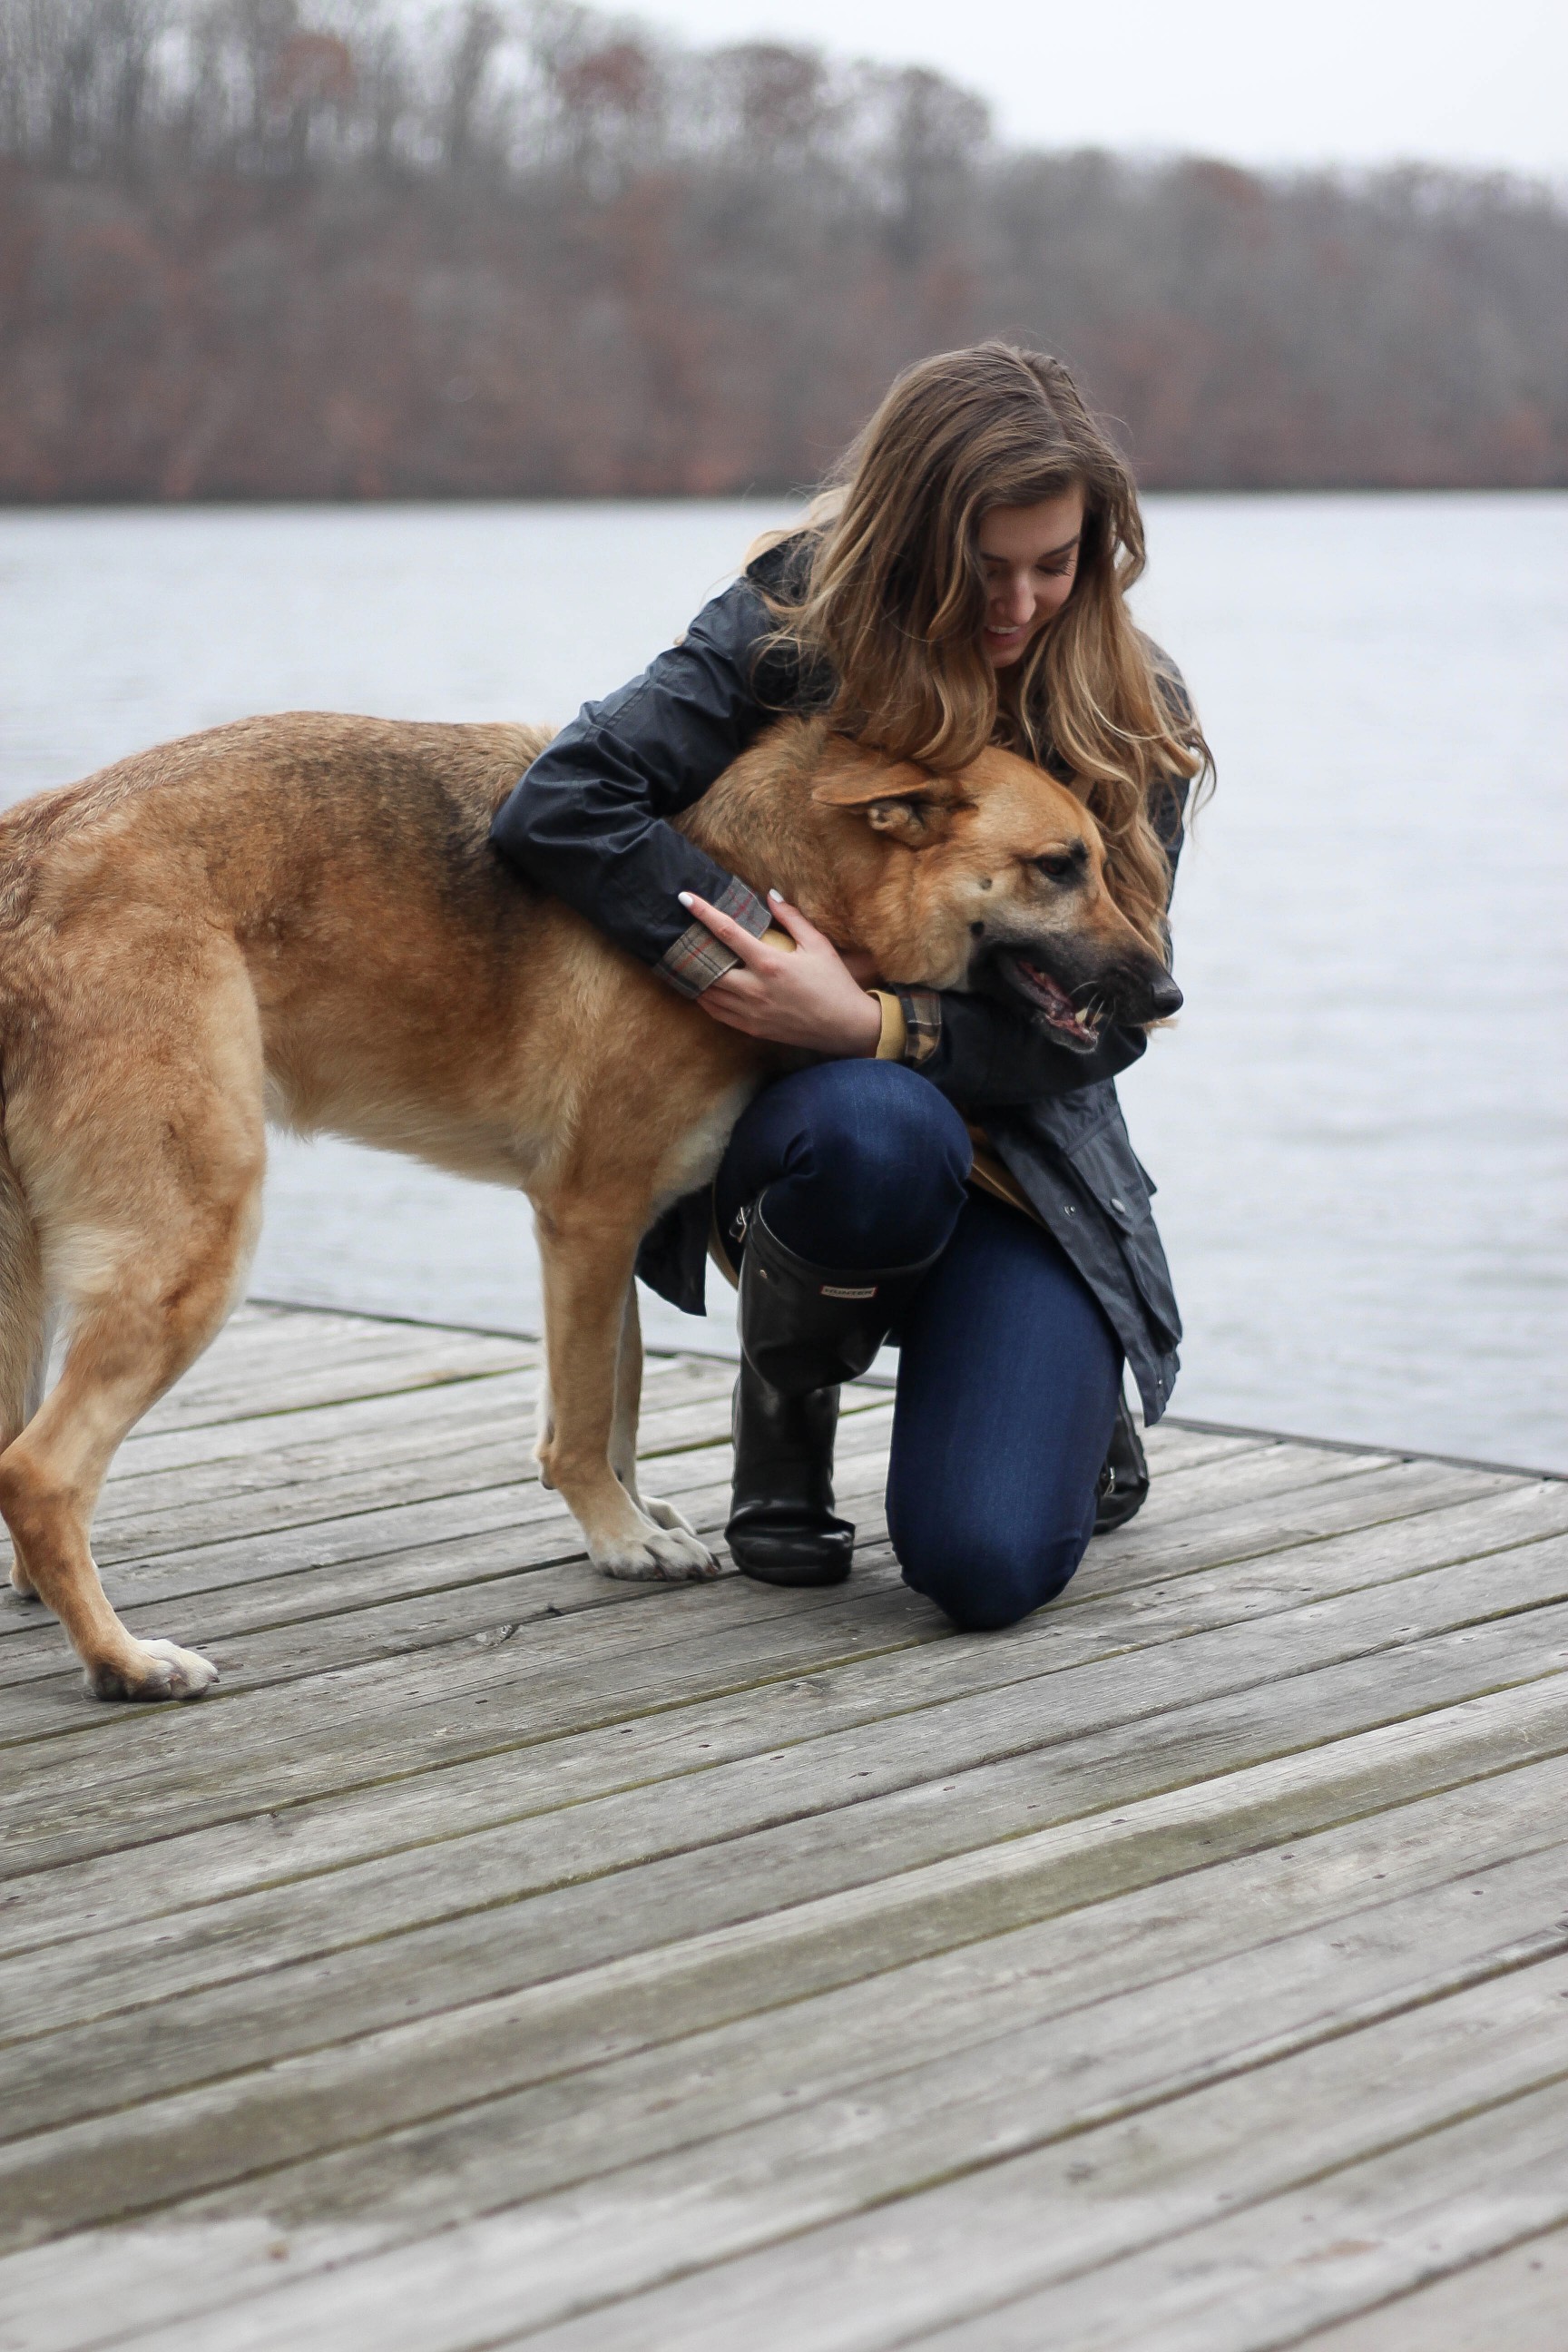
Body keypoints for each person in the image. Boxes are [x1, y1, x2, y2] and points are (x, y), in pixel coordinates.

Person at [489, 342, 1210, 1632]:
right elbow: (564, 803)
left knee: (984, 1564)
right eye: (987, 567)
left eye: (1057, 564)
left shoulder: (1131, 706)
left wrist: (870, 1020)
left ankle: (1065, 1377)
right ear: (909, 533)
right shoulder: (788, 627)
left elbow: (1103, 1033)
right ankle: (786, 1416)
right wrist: (750, 966)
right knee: (876, 1125)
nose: (1023, 601)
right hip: (822, 1138)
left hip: (1030, 1168)